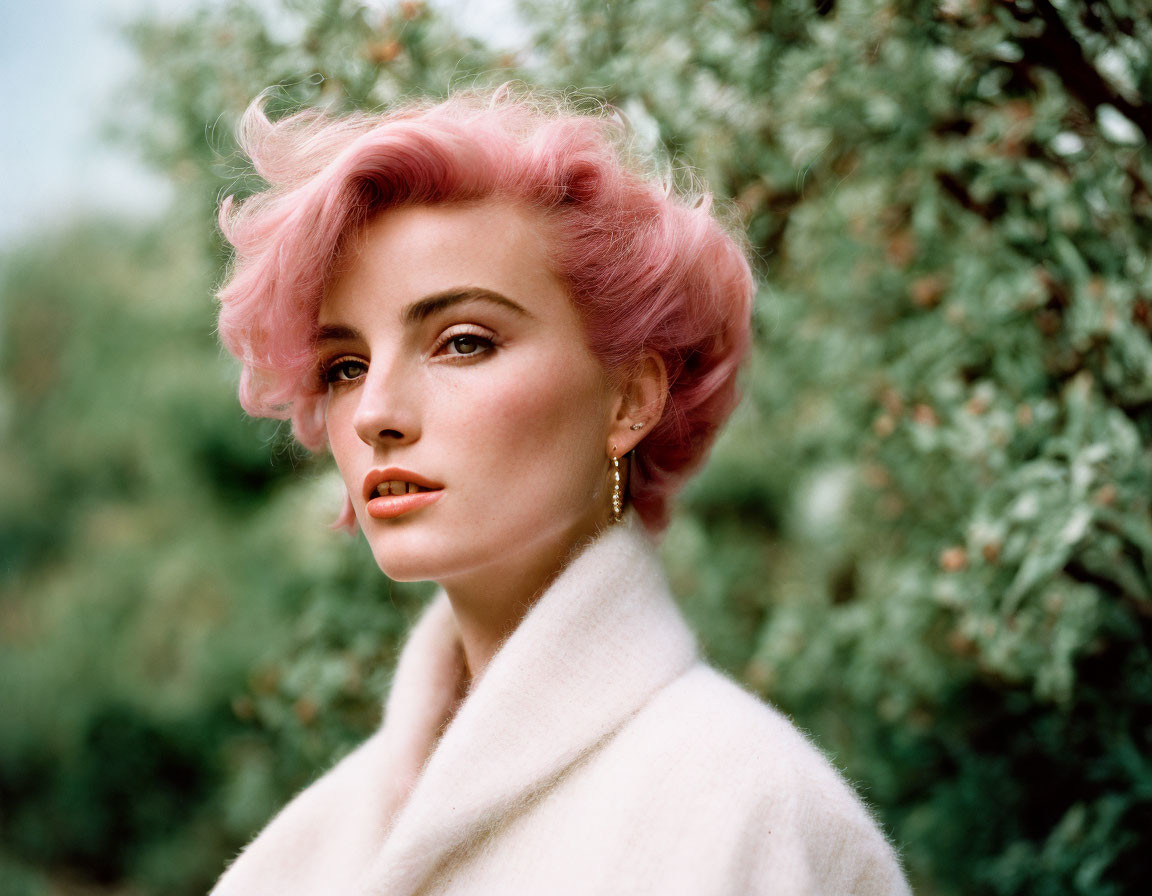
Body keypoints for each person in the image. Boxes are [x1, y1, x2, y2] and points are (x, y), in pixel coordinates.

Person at [209, 87, 912, 895]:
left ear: (630, 399)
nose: (374, 414)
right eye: (345, 365)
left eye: (462, 343)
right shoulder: (298, 859)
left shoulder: (755, 815)